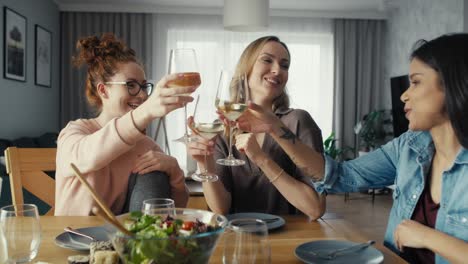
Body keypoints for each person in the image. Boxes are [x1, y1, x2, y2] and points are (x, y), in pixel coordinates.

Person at [236, 33, 468, 263]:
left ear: (453, 85)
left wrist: (427, 237)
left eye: (416, 82)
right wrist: (276, 128)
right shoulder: (408, 147)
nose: (404, 95)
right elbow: (340, 176)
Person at [55, 33, 195, 216]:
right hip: (75, 237)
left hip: (122, 239)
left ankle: (143, 243)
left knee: (155, 172)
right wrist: (144, 113)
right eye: (131, 85)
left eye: (144, 86)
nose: (143, 95)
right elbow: (86, 156)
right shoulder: (75, 132)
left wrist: (174, 172)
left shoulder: (146, 146)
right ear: (103, 90)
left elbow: (174, 210)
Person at [187, 36, 326, 220]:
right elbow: (221, 209)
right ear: (247, 68)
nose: (277, 70)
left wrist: (261, 159)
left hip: (289, 240)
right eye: (267, 60)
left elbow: (315, 208)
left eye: (284, 65)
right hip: (238, 238)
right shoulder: (221, 131)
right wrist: (204, 163)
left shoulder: (298, 121)